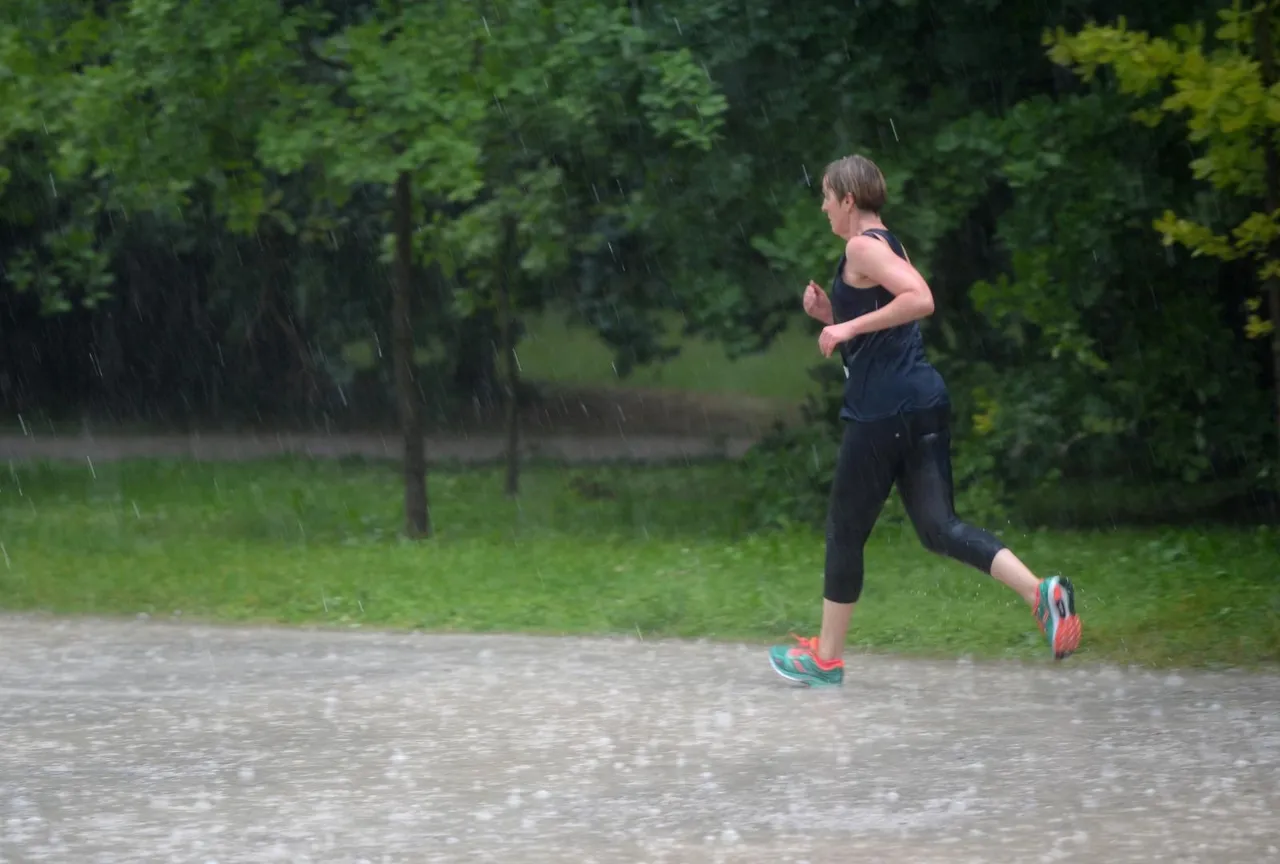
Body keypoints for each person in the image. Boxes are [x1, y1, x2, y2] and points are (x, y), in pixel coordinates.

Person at [768, 154, 1081, 687]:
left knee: (845, 530)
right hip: (921, 400)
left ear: (848, 199)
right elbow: (887, 325)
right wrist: (832, 317)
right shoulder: (890, 244)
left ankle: (826, 658)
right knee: (940, 528)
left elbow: (920, 299)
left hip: (883, 410)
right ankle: (1040, 592)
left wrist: (843, 331)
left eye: (826, 196)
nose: (822, 206)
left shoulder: (860, 245)